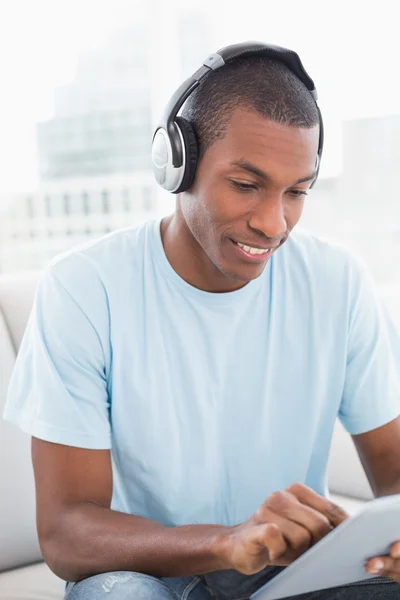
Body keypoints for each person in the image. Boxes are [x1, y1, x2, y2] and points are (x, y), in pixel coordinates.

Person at [4, 42, 400, 600]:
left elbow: (394, 476)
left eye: (297, 192)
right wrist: (226, 542)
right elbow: (67, 532)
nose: (272, 223)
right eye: (245, 185)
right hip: (147, 573)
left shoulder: (338, 281)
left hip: (294, 574)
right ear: (177, 163)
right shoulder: (83, 288)